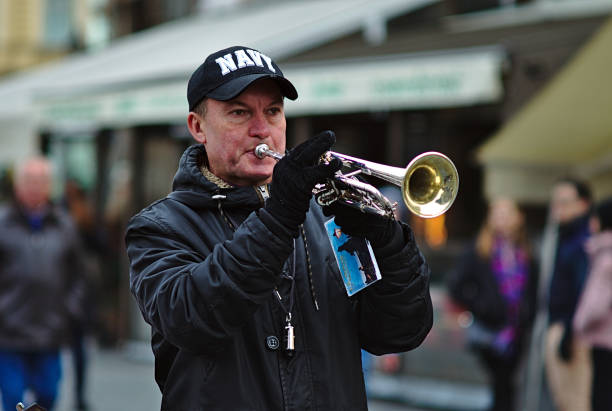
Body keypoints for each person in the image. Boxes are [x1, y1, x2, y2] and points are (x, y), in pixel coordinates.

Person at [125, 45, 433, 410]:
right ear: (198, 127)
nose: (262, 130)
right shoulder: (159, 227)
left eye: (272, 111)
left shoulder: (325, 217)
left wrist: (389, 245)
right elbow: (191, 317)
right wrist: (279, 216)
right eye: (239, 113)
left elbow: (398, 332)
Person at [0, 157, 86, 411]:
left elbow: (77, 276)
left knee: (47, 396)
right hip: (9, 333)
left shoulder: (64, 225)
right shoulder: (3, 225)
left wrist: (70, 310)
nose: (35, 187)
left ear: (50, 186)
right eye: (29, 181)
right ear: (18, 186)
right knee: (13, 397)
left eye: (41, 181)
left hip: (50, 331)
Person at [447, 198, 538, 411]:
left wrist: (527, 316)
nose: (502, 220)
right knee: (502, 385)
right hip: (491, 332)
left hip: (517, 331)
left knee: (506, 386)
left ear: (519, 218)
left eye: (507, 214)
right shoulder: (479, 250)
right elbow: (456, 286)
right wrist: (482, 307)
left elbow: (532, 291)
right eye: (497, 214)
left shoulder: (526, 252)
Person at [544, 177, 593, 411]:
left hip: (572, 333)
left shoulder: (583, 241)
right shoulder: (565, 236)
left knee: (574, 402)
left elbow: (584, 292)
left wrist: (569, 332)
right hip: (564, 327)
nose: (557, 208)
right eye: (555, 203)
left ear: (583, 204)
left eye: (564, 202)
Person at [573, 197, 612, 411]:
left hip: (602, 339)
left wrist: (579, 324)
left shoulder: (606, 257)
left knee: (601, 395)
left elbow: (596, 303)